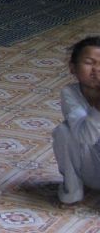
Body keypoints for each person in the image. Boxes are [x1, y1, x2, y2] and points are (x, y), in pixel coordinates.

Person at [52, 36, 100, 205]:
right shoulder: (70, 93)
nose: (96, 69)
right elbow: (85, 137)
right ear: (73, 68)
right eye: (89, 63)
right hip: (92, 169)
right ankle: (72, 190)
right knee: (64, 132)